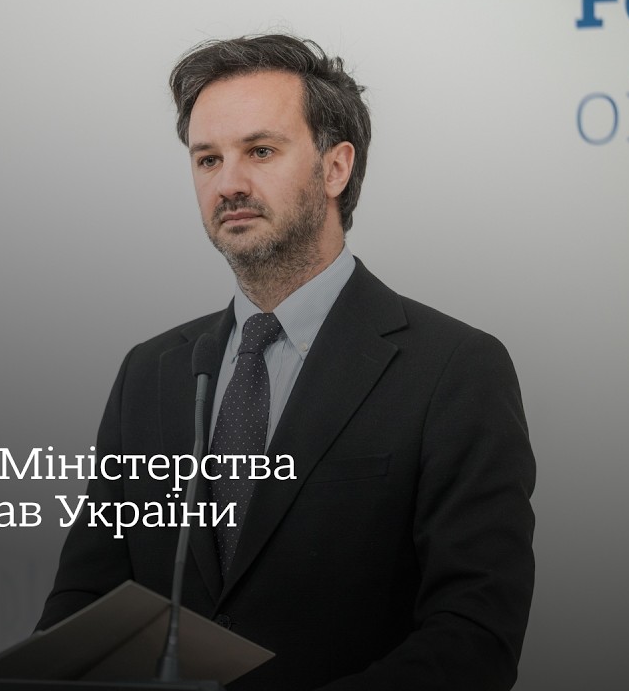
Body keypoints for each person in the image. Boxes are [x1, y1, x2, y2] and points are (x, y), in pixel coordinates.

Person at [37, 34, 536, 691]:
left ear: (335, 168)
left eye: (260, 151)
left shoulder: (454, 369)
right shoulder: (150, 373)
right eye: (208, 159)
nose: (229, 184)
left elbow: (474, 638)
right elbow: (84, 607)